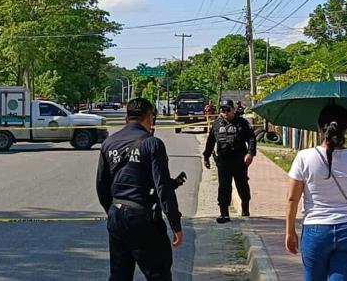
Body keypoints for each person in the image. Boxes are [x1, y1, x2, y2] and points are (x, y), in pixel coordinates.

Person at [96, 97, 184, 280]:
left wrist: (112, 212)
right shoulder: (153, 143)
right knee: (158, 273)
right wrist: (175, 223)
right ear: (150, 117)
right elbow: (163, 188)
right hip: (143, 217)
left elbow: (101, 185)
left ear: (126, 118)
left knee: (119, 275)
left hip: (116, 216)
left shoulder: (109, 143)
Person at [285, 105, 347, 281]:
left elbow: (292, 198)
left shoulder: (304, 157)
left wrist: (290, 232)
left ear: (319, 128)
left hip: (316, 230)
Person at [203, 99, 256, 223]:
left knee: (242, 185)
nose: (225, 112)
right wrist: (206, 157)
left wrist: (250, 153)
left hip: (239, 161)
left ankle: (245, 210)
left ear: (233, 110)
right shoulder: (216, 124)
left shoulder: (242, 123)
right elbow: (210, 141)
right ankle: (224, 213)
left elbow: (252, 138)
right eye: (223, 110)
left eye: (228, 110)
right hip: (223, 161)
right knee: (224, 187)